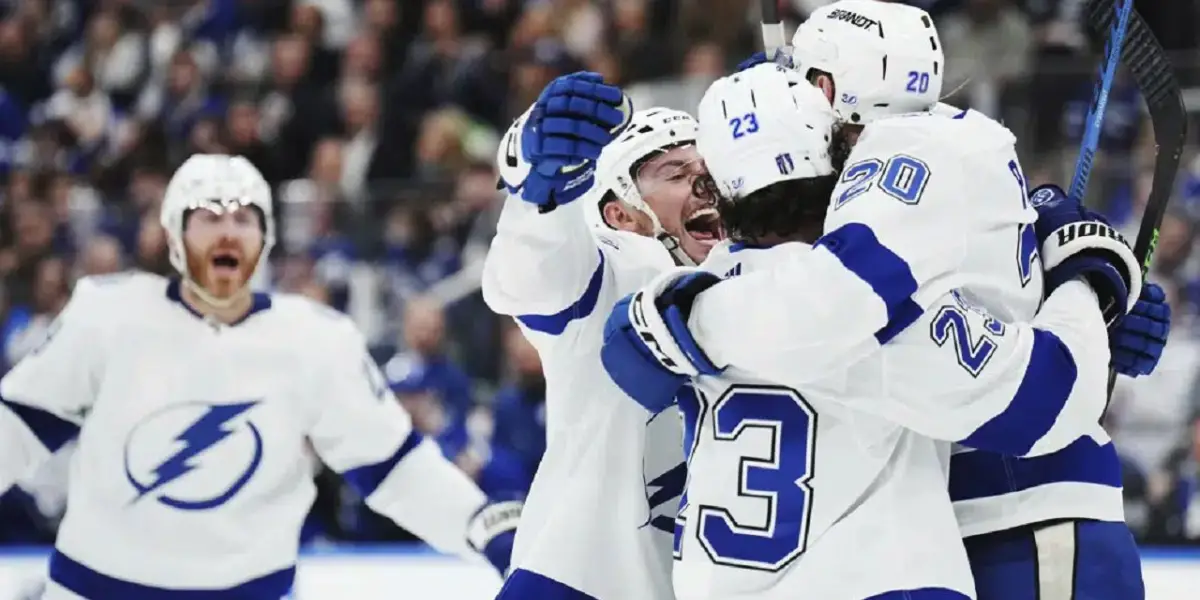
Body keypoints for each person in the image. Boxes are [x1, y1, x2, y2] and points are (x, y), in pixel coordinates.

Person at [0, 154, 519, 599]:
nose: (228, 230)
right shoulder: (107, 315)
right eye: (208, 216)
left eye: (245, 218)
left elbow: (391, 464)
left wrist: (481, 524)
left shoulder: (314, 339)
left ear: (266, 237)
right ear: (175, 234)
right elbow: (17, 429)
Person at [481, 72, 721, 600]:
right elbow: (531, 277)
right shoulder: (623, 269)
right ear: (622, 215)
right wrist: (541, 191)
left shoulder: (775, 283)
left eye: (713, 169)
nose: (706, 185)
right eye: (676, 172)